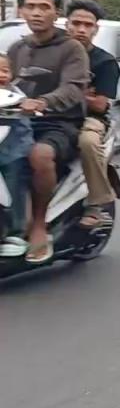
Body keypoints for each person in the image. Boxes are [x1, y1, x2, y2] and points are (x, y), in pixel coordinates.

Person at [8, 0, 90, 263]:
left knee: (39, 155)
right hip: (17, 121)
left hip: (58, 124)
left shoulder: (71, 49)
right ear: (21, 10)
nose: (36, 12)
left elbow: (73, 88)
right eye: (30, 6)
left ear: (56, 14)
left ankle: (40, 225)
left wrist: (42, 102)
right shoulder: (17, 48)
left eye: (44, 7)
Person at [65, 0, 120, 232]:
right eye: (76, 23)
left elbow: (99, 104)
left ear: (95, 29)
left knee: (88, 142)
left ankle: (97, 204)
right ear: (66, 24)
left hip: (90, 120)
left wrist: (66, 93)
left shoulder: (104, 62)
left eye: (87, 25)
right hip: (50, 116)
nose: (81, 29)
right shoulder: (55, 53)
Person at [0, 54, 34, 257]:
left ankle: (17, 232)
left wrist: (27, 106)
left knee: (14, 180)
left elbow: (26, 106)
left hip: (14, 148)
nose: (0, 75)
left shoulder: (15, 96)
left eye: (4, 70)